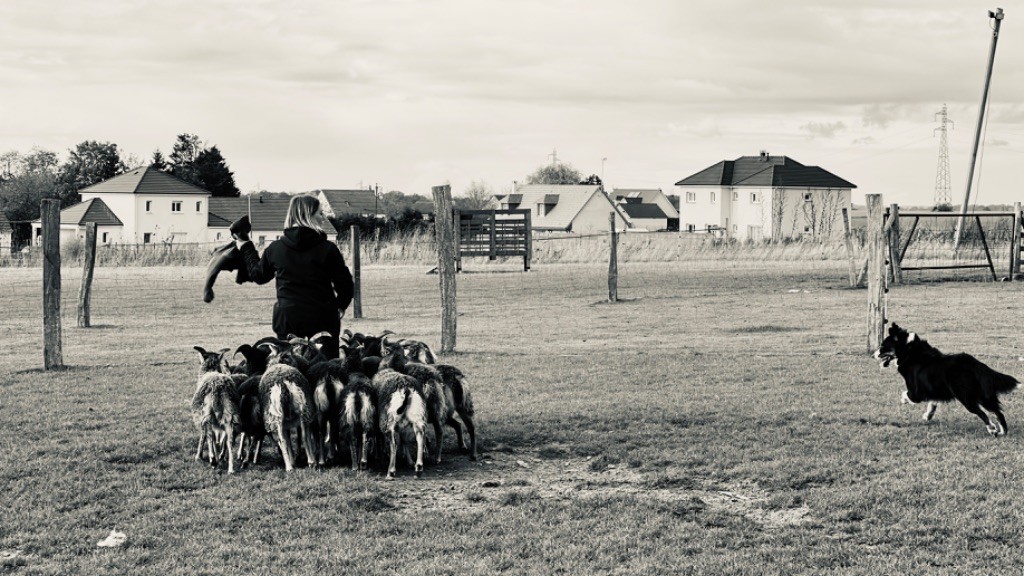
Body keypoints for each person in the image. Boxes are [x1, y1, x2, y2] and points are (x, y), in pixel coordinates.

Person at [233, 195, 353, 360]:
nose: (323, 218)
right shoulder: (328, 249)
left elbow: (258, 275)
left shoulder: (275, 249)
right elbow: (345, 285)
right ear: (307, 215)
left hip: (288, 318)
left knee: (291, 367)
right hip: (323, 317)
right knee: (326, 368)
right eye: (319, 213)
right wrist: (339, 306)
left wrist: (246, 246)